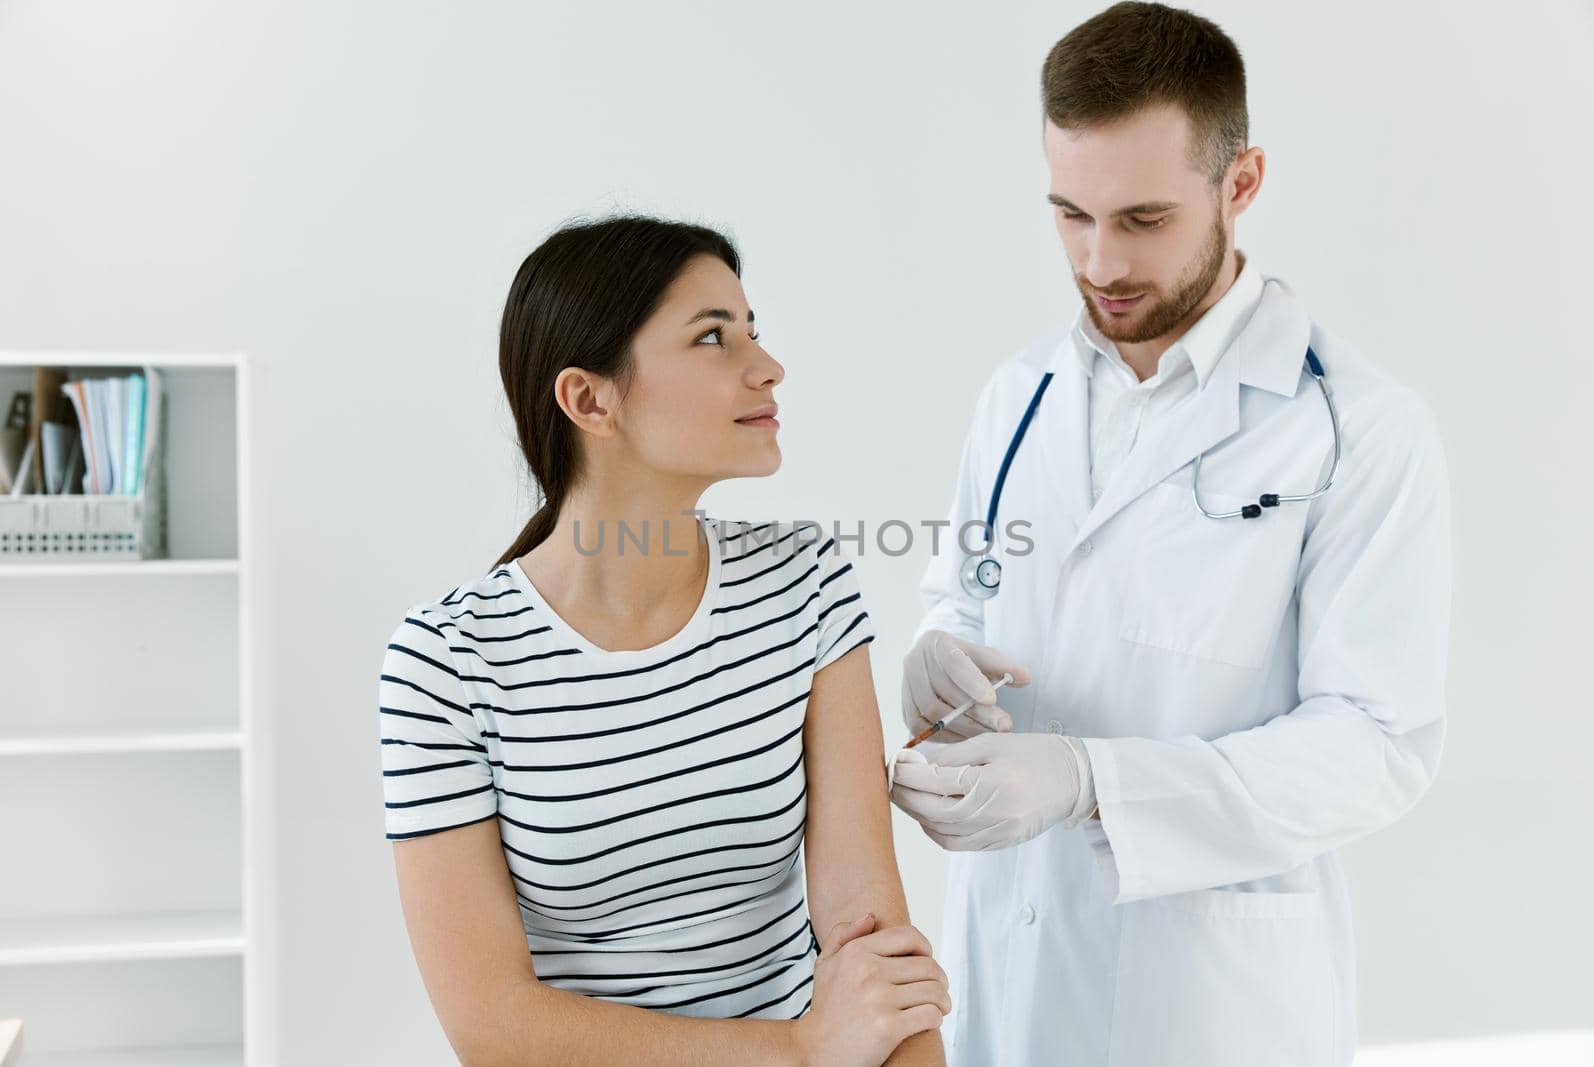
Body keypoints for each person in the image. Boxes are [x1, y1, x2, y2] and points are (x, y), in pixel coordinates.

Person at [888, 4, 1452, 1065]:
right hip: (1007, 971)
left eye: (1142, 220)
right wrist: (938, 655)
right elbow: (963, 590)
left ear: (1239, 184)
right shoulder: (1018, 397)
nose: (1100, 262)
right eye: (1069, 214)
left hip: (1208, 1004)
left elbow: (1376, 744)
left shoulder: (1357, 430)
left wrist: (1094, 779)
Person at [377, 215, 948, 1066]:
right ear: (590, 399)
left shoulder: (806, 584)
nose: (767, 366)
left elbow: (870, 939)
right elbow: (492, 1025)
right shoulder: (445, 663)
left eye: (753, 329)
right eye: (713, 337)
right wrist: (796, 1050)